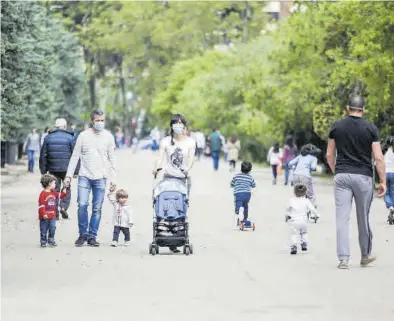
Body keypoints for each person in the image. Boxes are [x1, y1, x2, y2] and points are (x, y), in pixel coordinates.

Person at [326, 94, 386, 269]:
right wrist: (382, 181)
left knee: (342, 218)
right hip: (363, 177)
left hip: (342, 176)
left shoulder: (337, 126)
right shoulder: (371, 128)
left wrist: (335, 170)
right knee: (363, 217)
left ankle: (343, 259)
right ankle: (365, 255)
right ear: (363, 110)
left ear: (347, 108)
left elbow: (329, 154)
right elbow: (378, 158)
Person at [65, 109, 116, 247]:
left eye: (102, 120)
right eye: (97, 120)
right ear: (92, 121)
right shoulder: (83, 136)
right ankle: (83, 235)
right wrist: (68, 175)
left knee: (97, 208)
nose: (100, 122)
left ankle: (92, 236)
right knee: (82, 205)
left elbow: (112, 159)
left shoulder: (109, 137)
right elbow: (75, 156)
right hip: (84, 176)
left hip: (101, 177)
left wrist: (113, 179)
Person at [152, 114, 196, 252]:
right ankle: (168, 238)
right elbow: (160, 157)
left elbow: (191, 159)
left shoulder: (190, 142)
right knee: (166, 208)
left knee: (180, 209)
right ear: (171, 126)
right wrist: (156, 168)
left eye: (181, 123)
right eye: (175, 123)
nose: (178, 126)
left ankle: (178, 237)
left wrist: (187, 169)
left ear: (184, 125)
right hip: (168, 178)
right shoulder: (165, 141)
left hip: (182, 179)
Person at [39, 118, 76, 220]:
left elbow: (43, 155)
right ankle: (63, 207)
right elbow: (75, 155)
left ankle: (54, 212)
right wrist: (75, 171)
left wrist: (43, 170)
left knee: (54, 189)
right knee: (66, 188)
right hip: (66, 169)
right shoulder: (70, 138)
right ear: (65, 126)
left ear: (55, 126)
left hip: (53, 168)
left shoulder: (48, 138)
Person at [286, 184, 317, 255]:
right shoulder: (306, 200)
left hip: (294, 221)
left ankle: (294, 246)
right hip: (304, 221)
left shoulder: (291, 200)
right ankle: (304, 244)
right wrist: (317, 215)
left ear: (294, 192)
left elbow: (287, 208)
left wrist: (288, 214)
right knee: (304, 232)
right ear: (305, 192)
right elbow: (312, 209)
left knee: (294, 234)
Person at [38, 174, 67, 247]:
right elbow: (41, 205)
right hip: (44, 216)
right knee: (43, 229)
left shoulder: (53, 192)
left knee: (52, 228)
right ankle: (43, 240)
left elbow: (61, 195)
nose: (55, 184)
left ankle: (51, 239)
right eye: (54, 183)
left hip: (52, 215)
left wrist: (65, 188)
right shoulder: (43, 194)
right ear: (49, 184)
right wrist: (43, 214)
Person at [289, 144, 319, 212]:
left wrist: (294, 167)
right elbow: (313, 167)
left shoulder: (300, 156)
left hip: (296, 175)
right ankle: (312, 209)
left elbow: (290, 163)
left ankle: (293, 208)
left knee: (297, 193)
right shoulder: (313, 158)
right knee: (310, 194)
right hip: (305, 176)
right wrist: (313, 169)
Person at [230, 161, 256, 229]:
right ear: (250, 170)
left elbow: (232, 183)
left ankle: (239, 211)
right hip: (247, 194)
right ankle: (244, 219)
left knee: (238, 205)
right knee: (246, 206)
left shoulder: (237, 176)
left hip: (238, 193)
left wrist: (232, 185)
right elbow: (253, 185)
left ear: (241, 168)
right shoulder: (250, 177)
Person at [383, 136, 394, 222]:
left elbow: (377, 163)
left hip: (385, 174)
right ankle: (393, 208)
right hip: (393, 174)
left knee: (386, 192)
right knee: (393, 192)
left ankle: (390, 207)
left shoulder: (384, 152)